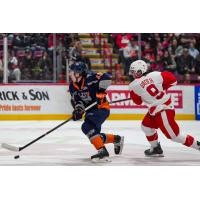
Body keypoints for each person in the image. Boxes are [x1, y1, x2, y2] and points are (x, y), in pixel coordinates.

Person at [128, 60, 200, 157]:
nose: (132, 74)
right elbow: (173, 80)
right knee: (146, 126)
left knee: (175, 136)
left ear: (141, 71)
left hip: (162, 110)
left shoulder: (132, 86)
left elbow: (138, 102)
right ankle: (156, 148)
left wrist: (140, 95)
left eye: (134, 72)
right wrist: (161, 87)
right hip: (159, 109)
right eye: (132, 72)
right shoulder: (155, 75)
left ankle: (197, 145)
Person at [69, 62, 124, 161]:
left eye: (73, 72)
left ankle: (102, 151)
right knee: (95, 136)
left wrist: (101, 91)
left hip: (101, 108)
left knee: (86, 126)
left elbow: (107, 77)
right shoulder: (72, 86)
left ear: (80, 73)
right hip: (90, 112)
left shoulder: (91, 78)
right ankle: (117, 139)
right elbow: (77, 101)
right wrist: (78, 110)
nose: (71, 74)